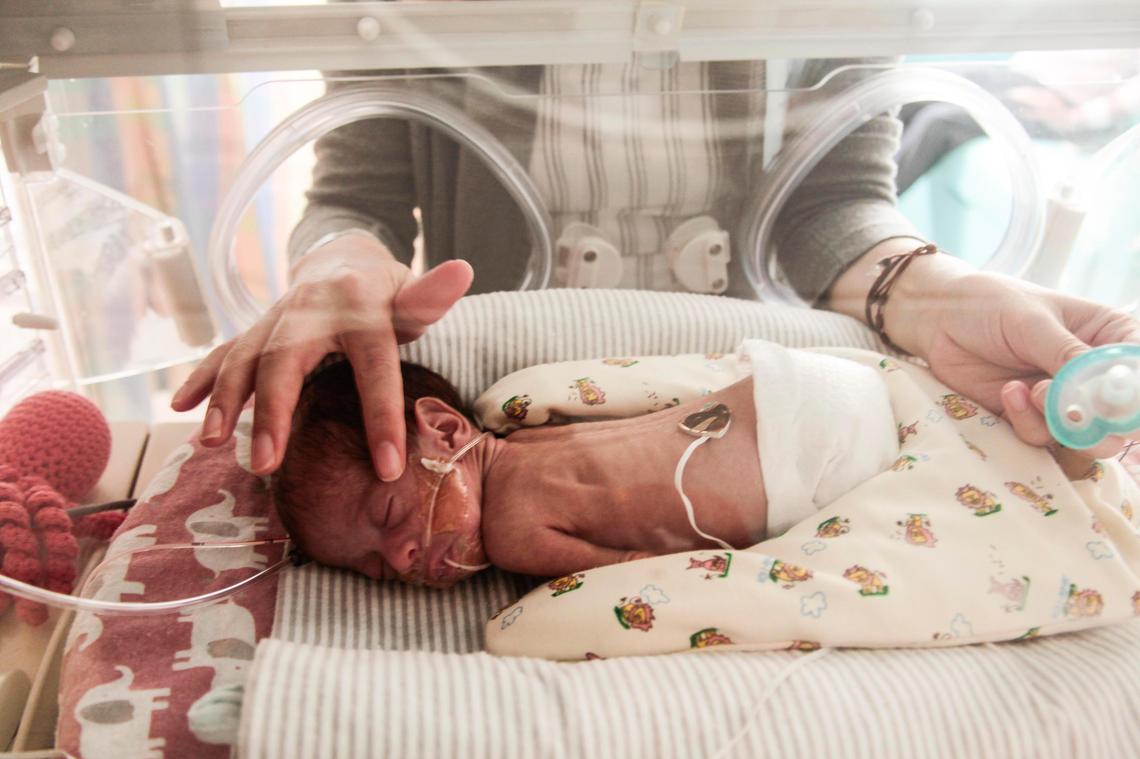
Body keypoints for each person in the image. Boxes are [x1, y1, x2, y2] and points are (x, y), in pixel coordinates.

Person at [170, 56, 1140, 483]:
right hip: (503, 375)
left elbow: (831, 200)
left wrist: (934, 292)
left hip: (762, 367)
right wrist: (341, 263)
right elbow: (358, 184)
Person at [272, 342, 1134, 590]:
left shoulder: (515, 529)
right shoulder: (527, 434)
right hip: (813, 387)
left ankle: (1082, 434)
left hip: (812, 467)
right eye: (371, 567)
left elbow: (650, 578)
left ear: (439, 424)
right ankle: (1081, 416)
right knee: (1000, 440)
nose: (401, 560)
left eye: (388, 523)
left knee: (992, 502)